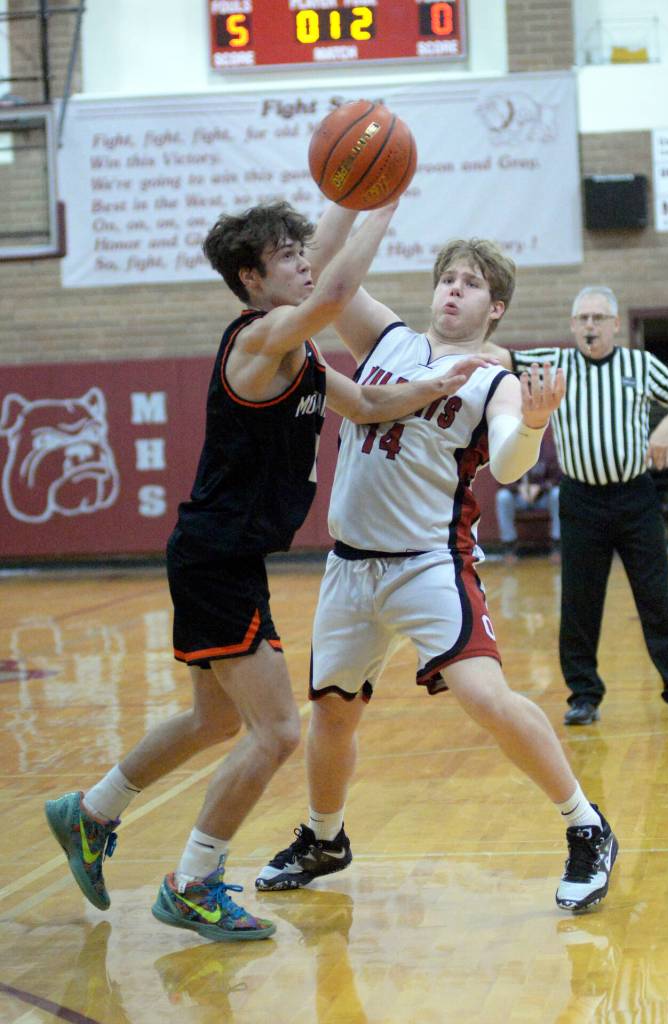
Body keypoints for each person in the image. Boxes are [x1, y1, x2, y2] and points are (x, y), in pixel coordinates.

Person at [44, 199, 482, 944]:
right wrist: (386, 199)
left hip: (220, 556)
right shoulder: (260, 337)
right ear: (251, 278)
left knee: (216, 719)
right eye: (286, 257)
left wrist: (440, 383)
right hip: (217, 560)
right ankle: (192, 881)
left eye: (302, 251)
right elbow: (335, 297)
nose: (304, 263)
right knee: (277, 730)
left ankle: (91, 811)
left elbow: (372, 403)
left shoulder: (302, 355)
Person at [256, 213, 618, 914]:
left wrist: (537, 422)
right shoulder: (386, 336)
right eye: (447, 278)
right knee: (332, 713)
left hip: (427, 561)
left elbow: (509, 464)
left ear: (495, 307)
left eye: (471, 283)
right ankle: (324, 838)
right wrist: (370, 201)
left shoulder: (496, 378)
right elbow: (327, 269)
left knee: (484, 696)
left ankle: (585, 824)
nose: (454, 291)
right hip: (350, 563)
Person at [487, 285, 668, 725]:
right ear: (573, 325)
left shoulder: (640, 364)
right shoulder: (556, 363)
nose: (590, 326)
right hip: (582, 500)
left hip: (635, 497)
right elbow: (498, 355)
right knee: (579, 600)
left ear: (616, 324)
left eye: (598, 318)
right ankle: (584, 696)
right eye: (583, 319)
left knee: (656, 596)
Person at [495, 429, 561, 564]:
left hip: (543, 498)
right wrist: (519, 488)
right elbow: (501, 478)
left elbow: (558, 478)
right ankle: (509, 547)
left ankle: (558, 546)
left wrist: (541, 487)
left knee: (557, 494)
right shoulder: (511, 450)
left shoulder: (548, 450)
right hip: (519, 498)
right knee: (503, 497)